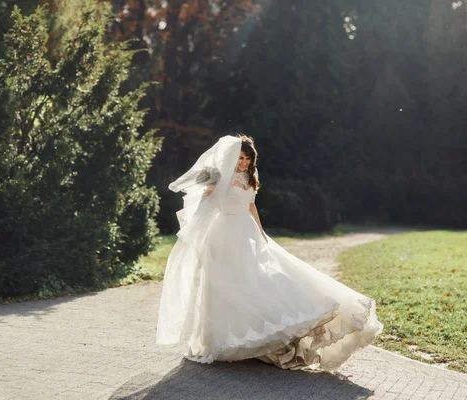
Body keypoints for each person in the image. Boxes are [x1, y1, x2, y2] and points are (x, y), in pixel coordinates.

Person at [156, 134, 382, 370]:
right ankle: (221, 341)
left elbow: (251, 205)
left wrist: (261, 233)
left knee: (257, 281)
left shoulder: (250, 175)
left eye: (247, 158)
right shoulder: (220, 177)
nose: (243, 163)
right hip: (223, 234)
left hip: (247, 230)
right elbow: (207, 208)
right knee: (224, 286)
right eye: (240, 158)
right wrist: (209, 195)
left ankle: (258, 334)